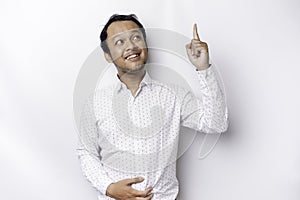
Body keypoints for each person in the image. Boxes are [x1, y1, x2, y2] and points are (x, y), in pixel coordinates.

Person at [77, 14, 228, 200]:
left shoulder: (174, 95)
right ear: (108, 56)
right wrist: (109, 188)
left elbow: (216, 124)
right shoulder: (95, 103)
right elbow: (86, 152)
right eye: (119, 42)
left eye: (136, 37)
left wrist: (204, 69)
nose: (131, 46)